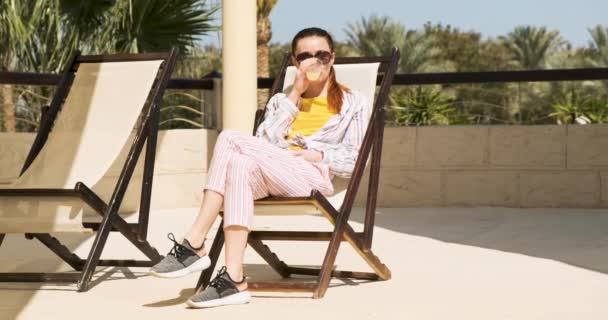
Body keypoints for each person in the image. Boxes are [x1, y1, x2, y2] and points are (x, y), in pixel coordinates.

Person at [149, 27, 371, 308]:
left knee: (229, 137)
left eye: (322, 55)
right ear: (295, 62)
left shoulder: (354, 103)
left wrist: (317, 154)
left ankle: (194, 241)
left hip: (311, 176)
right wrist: (295, 95)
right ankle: (234, 280)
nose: (315, 62)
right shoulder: (282, 101)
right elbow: (262, 142)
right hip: (273, 170)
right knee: (240, 163)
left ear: (333, 58)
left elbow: (354, 161)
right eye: (306, 56)